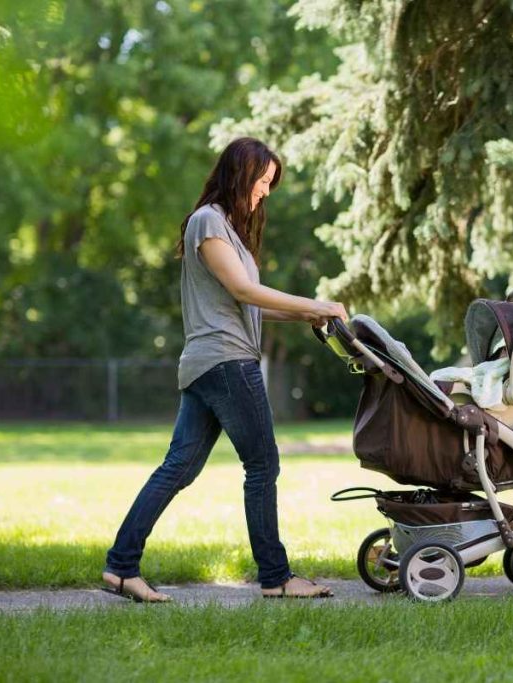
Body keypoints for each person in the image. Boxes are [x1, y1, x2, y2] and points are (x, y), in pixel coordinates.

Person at [102, 137, 346, 602]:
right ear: (240, 173)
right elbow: (244, 292)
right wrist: (315, 303)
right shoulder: (208, 222)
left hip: (207, 365)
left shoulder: (228, 232)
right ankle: (276, 577)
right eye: (263, 181)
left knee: (179, 468)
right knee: (262, 464)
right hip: (227, 362)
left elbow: (248, 304)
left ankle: (121, 566)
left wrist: (307, 315)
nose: (265, 192)